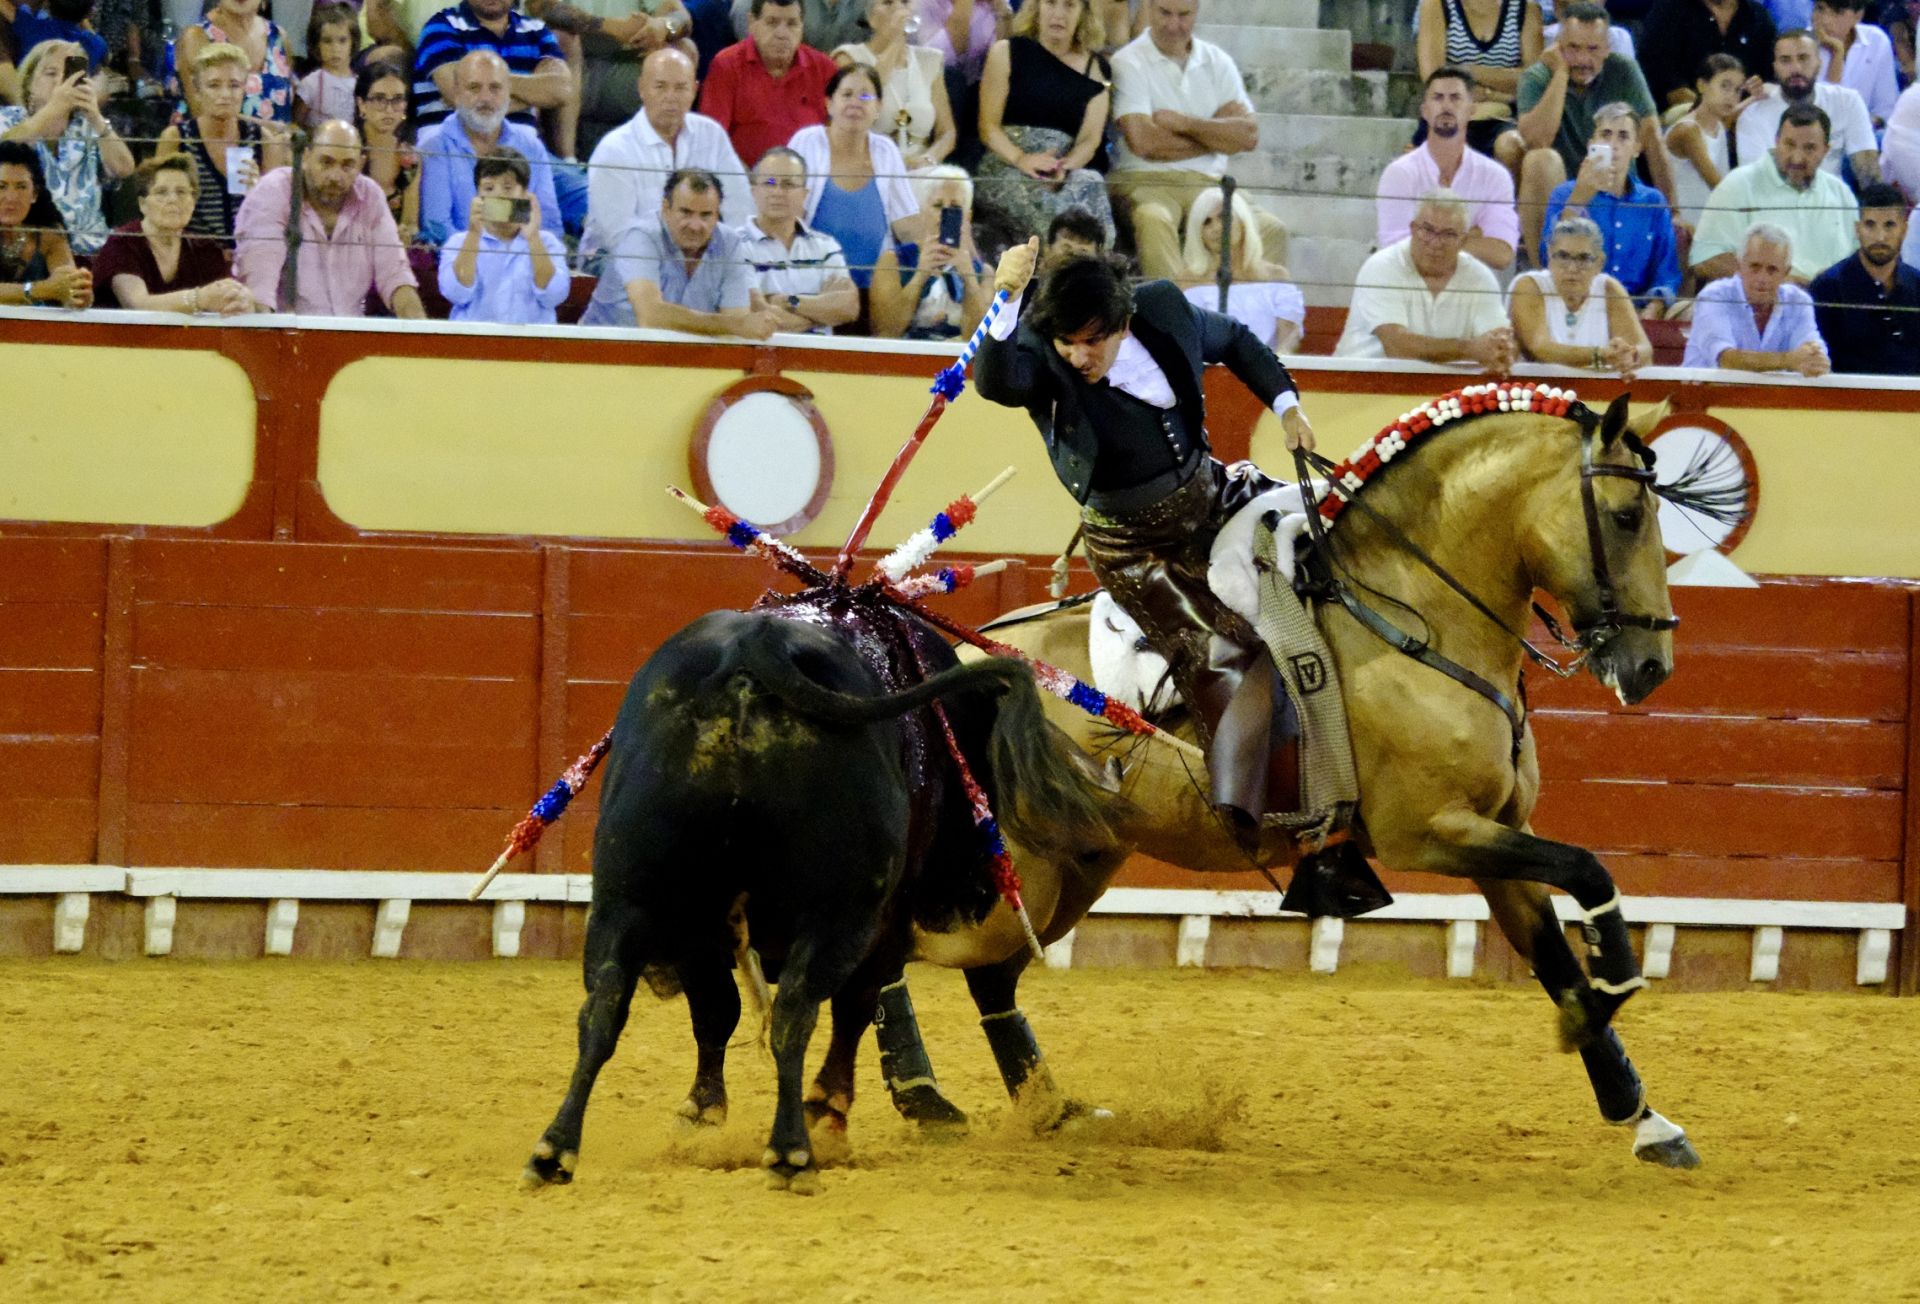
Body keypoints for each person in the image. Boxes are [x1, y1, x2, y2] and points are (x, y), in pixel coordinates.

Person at [976, 237, 1317, 839]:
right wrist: (1005, 295)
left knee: (1325, 553)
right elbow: (996, 382)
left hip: (1212, 496)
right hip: (1135, 549)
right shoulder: (1038, 354)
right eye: (1067, 343)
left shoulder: (1161, 309)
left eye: (1093, 340)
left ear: (1122, 321)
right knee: (1224, 651)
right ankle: (1272, 816)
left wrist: (1287, 406)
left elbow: (1235, 341)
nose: (1079, 357)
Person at [1106, 0, 1278, 281]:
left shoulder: (1218, 61)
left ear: (1196, 12)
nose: (1174, 25)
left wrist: (1184, 123)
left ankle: (1247, 319)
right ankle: (1179, 319)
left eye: (1184, 14)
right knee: (1153, 219)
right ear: (1149, 9)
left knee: (1272, 229)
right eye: (1164, 13)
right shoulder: (1128, 61)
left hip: (1210, 183)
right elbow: (1145, 143)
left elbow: (1248, 136)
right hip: (1144, 179)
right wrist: (1218, 135)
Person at [1504, 3, 1674, 266]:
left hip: (1618, 187)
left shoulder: (1624, 70)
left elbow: (1652, 139)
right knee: (1540, 159)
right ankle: (1545, 272)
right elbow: (1537, 140)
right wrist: (1560, 73)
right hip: (1565, 195)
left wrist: (1673, 213)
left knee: (1681, 236)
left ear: (1607, 48)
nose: (1583, 60)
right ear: (1558, 45)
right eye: (1573, 48)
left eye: (1592, 49)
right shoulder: (1537, 76)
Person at [233, 118, 426, 316]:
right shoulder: (274, 191)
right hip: (286, 336)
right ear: (306, 157)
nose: (335, 176)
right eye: (326, 162)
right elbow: (259, 287)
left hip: (349, 336)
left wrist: (420, 336)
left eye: (347, 165)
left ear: (361, 164)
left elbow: (395, 275)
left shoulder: (370, 196)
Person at [974, 0, 1114, 253]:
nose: (1058, 14)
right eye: (1050, 3)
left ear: (1083, 13)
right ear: (1037, 7)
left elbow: (1090, 140)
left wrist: (1063, 166)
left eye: (1069, 6)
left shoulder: (1097, 69)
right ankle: (1060, 267)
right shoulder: (1006, 52)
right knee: (1047, 207)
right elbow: (988, 127)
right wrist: (1022, 158)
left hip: (1062, 167)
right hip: (1008, 163)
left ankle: (1101, 275)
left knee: (1091, 182)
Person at [585, 46, 749, 256]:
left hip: (701, 257)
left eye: (680, 88)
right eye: (660, 87)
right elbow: (619, 236)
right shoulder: (614, 149)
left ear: (694, 91)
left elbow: (740, 209)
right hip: (620, 259)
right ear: (642, 88)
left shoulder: (712, 135)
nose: (670, 97)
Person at [1336, 187, 1517, 367]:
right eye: (1427, 230)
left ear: (1463, 240)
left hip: (1443, 387)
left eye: (1448, 234)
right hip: (1361, 385)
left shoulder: (1480, 277)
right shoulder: (1382, 267)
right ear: (1413, 229)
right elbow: (1398, 347)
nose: (1435, 243)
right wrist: (1469, 349)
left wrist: (1502, 350)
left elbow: (1500, 341)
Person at [582, 166, 772, 333]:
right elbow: (652, 316)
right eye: (686, 212)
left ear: (717, 214)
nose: (695, 225)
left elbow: (737, 318)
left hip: (684, 359)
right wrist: (735, 325)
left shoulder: (729, 242)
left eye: (706, 215)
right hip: (604, 358)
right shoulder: (639, 237)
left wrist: (736, 325)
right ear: (666, 208)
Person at [1538, 100, 1682, 313]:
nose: (1613, 144)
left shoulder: (1653, 201)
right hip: (1578, 304)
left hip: (1637, 308)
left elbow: (1666, 271)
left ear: (1637, 148)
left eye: (1623, 136)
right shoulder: (1565, 194)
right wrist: (1578, 199)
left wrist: (1655, 306)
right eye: (1605, 134)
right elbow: (1547, 257)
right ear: (1591, 144)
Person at [1692, 101, 1859, 280]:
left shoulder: (1841, 193)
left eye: (1809, 148)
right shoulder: (1738, 184)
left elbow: (1859, 262)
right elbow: (1705, 260)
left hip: (1828, 303)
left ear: (1826, 150)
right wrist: (1782, 285)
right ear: (1777, 141)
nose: (1797, 157)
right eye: (1789, 144)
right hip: (1760, 304)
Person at [786, 61, 919, 286]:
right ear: (829, 104)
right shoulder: (807, 141)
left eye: (865, 97)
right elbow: (787, 215)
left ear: (878, 107)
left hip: (876, 286)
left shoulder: (886, 150)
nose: (856, 103)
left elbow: (906, 223)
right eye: (846, 95)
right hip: (811, 281)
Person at [1377, 65, 1520, 270]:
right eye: (1437, 98)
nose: (1446, 106)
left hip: (1471, 292)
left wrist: (1428, 239)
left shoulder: (1495, 176)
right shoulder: (1399, 173)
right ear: (1425, 111)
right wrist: (1470, 235)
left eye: (1455, 98)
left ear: (1472, 110)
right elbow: (1394, 251)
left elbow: (1502, 253)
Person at [0, 40, 133, 257]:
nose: (62, 81)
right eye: (51, 73)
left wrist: (96, 117)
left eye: (69, 74)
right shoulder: (8, 119)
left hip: (95, 248)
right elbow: (6, 149)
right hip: (35, 250)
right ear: (29, 84)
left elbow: (124, 168)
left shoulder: (86, 125)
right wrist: (54, 108)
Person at [418, 49, 563, 246]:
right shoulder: (435, 146)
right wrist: (489, 260)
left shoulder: (531, 148)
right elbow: (438, 228)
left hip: (522, 266)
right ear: (457, 94)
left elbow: (549, 224)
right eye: (474, 88)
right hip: (463, 265)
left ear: (508, 93)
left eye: (495, 88)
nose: (485, 98)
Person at [156, 42, 293, 243]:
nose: (225, 95)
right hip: (194, 255)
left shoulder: (262, 139)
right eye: (214, 85)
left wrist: (260, 189)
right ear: (197, 89)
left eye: (234, 85)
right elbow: (158, 205)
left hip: (249, 249)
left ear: (245, 88)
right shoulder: (176, 138)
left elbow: (278, 212)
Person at [92, 155, 255, 313]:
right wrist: (199, 299)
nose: (172, 199)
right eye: (161, 192)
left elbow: (229, 295)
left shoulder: (206, 249)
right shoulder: (122, 243)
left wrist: (242, 300)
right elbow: (137, 303)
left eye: (182, 192)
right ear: (143, 205)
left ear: (193, 203)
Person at [437, 145, 572, 323]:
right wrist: (473, 234)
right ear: (477, 194)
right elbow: (457, 294)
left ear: (525, 194)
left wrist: (533, 238)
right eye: (489, 188)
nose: (498, 195)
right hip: (476, 343)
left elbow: (554, 296)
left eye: (508, 188)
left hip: (531, 344)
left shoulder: (547, 242)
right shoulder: (458, 242)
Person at [737, 143, 859, 333]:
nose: (777, 192)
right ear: (754, 191)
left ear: (804, 194)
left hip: (821, 358)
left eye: (788, 184)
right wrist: (818, 315)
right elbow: (756, 313)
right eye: (769, 183)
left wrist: (787, 301)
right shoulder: (734, 245)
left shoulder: (826, 246)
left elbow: (848, 308)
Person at [1509, 213, 1653, 372]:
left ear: (1600, 263)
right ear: (1549, 256)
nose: (1572, 268)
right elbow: (1540, 348)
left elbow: (1643, 348)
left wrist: (1629, 355)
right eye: (1563, 256)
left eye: (1583, 258)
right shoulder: (1529, 285)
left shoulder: (1608, 288)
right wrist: (1600, 355)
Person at [700, 0, 837, 165]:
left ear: (802, 26)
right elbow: (713, 140)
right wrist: (755, 182)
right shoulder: (727, 65)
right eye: (772, 22)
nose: (782, 33)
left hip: (810, 182)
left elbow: (838, 138)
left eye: (792, 24)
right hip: (745, 180)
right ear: (752, 23)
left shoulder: (824, 68)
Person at [1682, 221, 1830, 371]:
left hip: (1771, 394)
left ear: (1786, 272)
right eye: (1755, 267)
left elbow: (1812, 350)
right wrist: (1788, 360)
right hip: (1706, 393)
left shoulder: (1798, 301)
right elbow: (1727, 360)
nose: (1762, 278)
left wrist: (1815, 360)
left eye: (1772, 270)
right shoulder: (1714, 297)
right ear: (1740, 265)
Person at [1735, 29, 1880, 183]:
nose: (1796, 68)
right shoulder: (1753, 115)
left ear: (1819, 63)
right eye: (1785, 60)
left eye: (1803, 58)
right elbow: (1755, 183)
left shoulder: (1847, 101)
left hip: (1832, 202)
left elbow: (1869, 174)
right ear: (1775, 67)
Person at [411, 0, 572, 136]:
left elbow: (562, 90)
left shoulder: (536, 31)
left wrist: (481, 89)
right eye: (476, 86)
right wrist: (533, 96)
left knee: (580, 175)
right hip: (455, 148)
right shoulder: (441, 26)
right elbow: (456, 93)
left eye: (496, 87)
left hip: (523, 153)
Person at [868, 161, 991, 336]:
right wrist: (920, 275)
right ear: (922, 211)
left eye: (955, 207)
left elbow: (981, 340)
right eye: (938, 205)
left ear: (967, 216)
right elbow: (885, 331)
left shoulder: (984, 273)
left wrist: (969, 279)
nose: (945, 214)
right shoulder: (893, 261)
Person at [1808, 182, 1920, 372]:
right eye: (1870, 225)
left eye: (1889, 225)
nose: (1880, 237)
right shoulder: (1828, 288)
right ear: (1857, 228)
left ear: (1904, 230)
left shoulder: (1917, 285)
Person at [1178, 185, 1304, 354]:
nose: (1216, 228)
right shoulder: (1187, 281)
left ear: (1243, 221)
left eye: (1224, 217)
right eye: (1206, 222)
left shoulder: (1276, 275)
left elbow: (1289, 336)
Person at [832, 0, 956, 170]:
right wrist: (896, 40)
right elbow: (864, 95)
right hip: (869, 166)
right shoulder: (849, 57)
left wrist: (929, 158)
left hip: (920, 169)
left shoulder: (929, 60)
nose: (899, 9)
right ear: (871, 17)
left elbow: (947, 132)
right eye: (888, 2)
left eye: (905, 2)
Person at [1415, 0, 1544, 155]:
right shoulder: (1437, 5)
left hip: (1506, 116)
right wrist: (1504, 93)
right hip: (1450, 109)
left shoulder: (1527, 8)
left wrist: (1467, 70)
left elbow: (1532, 79)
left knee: (1512, 146)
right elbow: (1434, 76)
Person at [1666, 53, 1755, 230]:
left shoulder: (1720, 123)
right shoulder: (1688, 131)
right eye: (1725, 86)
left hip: (1712, 229)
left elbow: (1734, 112)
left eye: (1738, 90)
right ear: (1701, 85)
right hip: (1686, 232)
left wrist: (1757, 95)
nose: (1732, 96)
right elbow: (1719, 186)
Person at [0, 138, 91, 307]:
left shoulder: (49, 234)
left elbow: (70, 292)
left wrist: (79, 293)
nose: (11, 198)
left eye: (21, 187)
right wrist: (43, 289)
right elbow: (51, 289)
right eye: (1, 186)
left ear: (34, 194)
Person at [175, 0, 296, 125]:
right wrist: (269, 131)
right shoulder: (196, 37)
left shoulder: (279, 36)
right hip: (210, 143)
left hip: (277, 143)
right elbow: (203, 115)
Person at [1638, 0, 1777, 109]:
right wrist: (1712, 112)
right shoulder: (1669, 9)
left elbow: (1769, 77)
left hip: (1745, 113)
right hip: (1684, 113)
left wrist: (1758, 89)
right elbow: (1663, 80)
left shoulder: (1759, 17)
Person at [355, 60, 422, 248]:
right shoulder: (346, 148)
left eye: (397, 99)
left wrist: (405, 234)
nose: (389, 109)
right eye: (379, 99)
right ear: (361, 104)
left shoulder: (410, 159)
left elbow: (410, 224)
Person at [1814, 0, 1899, 125]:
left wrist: (1858, 127)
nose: (1825, 20)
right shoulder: (1804, 45)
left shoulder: (1877, 40)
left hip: (1868, 129)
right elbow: (1827, 109)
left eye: (1838, 12)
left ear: (1858, 16)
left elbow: (1886, 108)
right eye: (1820, 9)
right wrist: (1837, 53)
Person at [298, 4, 362, 131]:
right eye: (327, 41)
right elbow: (298, 123)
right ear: (317, 45)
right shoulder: (311, 83)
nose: (335, 49)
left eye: (342, 40)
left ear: (353, 42)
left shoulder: (360, 84)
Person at [7, 0, 109, 72]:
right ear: (90, 13)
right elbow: (107, 58)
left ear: (47, 3)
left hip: (30, 98)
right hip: (74, 99)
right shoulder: (97, 44)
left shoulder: (30, 26)